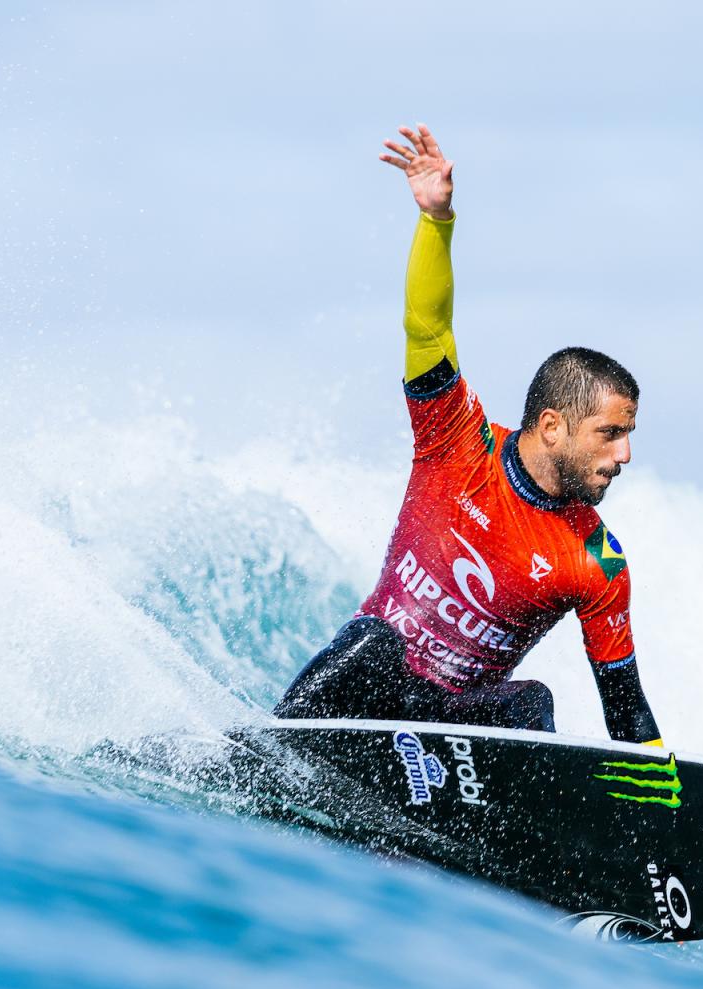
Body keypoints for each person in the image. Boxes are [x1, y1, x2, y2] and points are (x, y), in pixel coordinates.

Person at [274, 123, 663, 746]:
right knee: (371, 643)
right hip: (371, 691)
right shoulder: (458, 438)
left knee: (531, 704)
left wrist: (661, 796)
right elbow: (427, 328)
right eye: (610, 433)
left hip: (456, 738)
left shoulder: (597, 562)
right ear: (554, 426)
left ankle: (512, 837)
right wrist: (436, 221)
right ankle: (273, 749)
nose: (625, 455)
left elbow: (625, 705)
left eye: (628, 435)